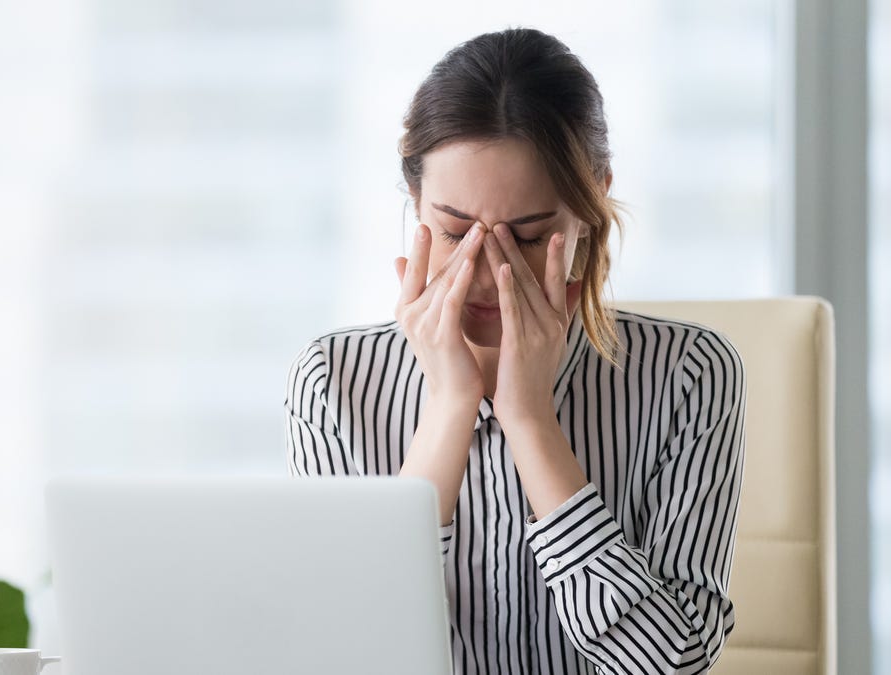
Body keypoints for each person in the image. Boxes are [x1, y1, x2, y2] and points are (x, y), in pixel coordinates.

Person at [283, 27, 746, 675]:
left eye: (525, 238)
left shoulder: (689, 375)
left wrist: (530, 421)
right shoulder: (334, 382)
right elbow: (346, 652)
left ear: (590, 206)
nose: (486, 274)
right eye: (454, 231)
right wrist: (450, 408)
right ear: (415, 203)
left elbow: (671, 663)